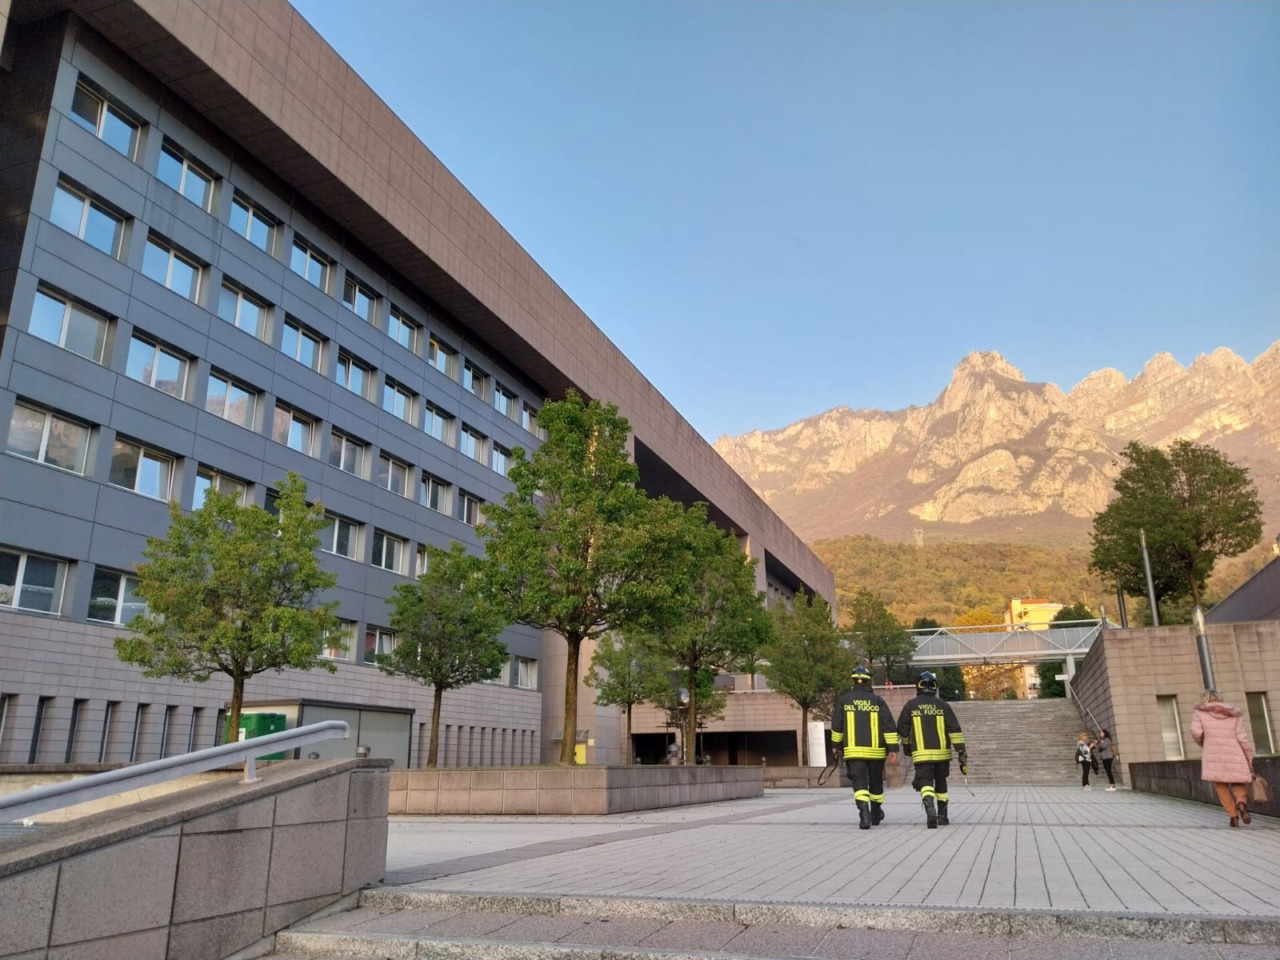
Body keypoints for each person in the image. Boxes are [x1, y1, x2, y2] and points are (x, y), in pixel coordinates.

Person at [830, 665, 899, 830]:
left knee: (859, 782)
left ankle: (864, 815)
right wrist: (893, 749)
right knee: (875, 782)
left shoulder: (844, 700)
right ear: (869, 681)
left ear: (854, 680)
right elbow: (888, 726)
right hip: (876, 752)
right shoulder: (877, 701)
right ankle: (876, 813)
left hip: (854, 751)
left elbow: (837, 726)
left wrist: (836, 746)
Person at [897, 670, 966, 828]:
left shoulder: (911, 705)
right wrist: (961, 752)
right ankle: (943, 816)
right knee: (941, 783)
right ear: (934, 687)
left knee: (926, 783)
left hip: (921, 755)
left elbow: (903, 730)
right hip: (942, 754)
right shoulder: (943, 705)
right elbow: (955, 730)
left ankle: (930, 811)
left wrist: (907, 748)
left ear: (918, 686)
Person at [1191, 690, 1256, 827]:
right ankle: (1241, 803)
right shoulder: (1233, 714)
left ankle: (1233, 817)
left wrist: (1203, 741)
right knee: (1238, 781)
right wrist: (1248, 755)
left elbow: (1196, 732)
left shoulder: (1200, 713)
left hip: (1213, 752)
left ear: (1205, 699)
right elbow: (1242, 737)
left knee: (1221, 785)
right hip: (1235, 751)